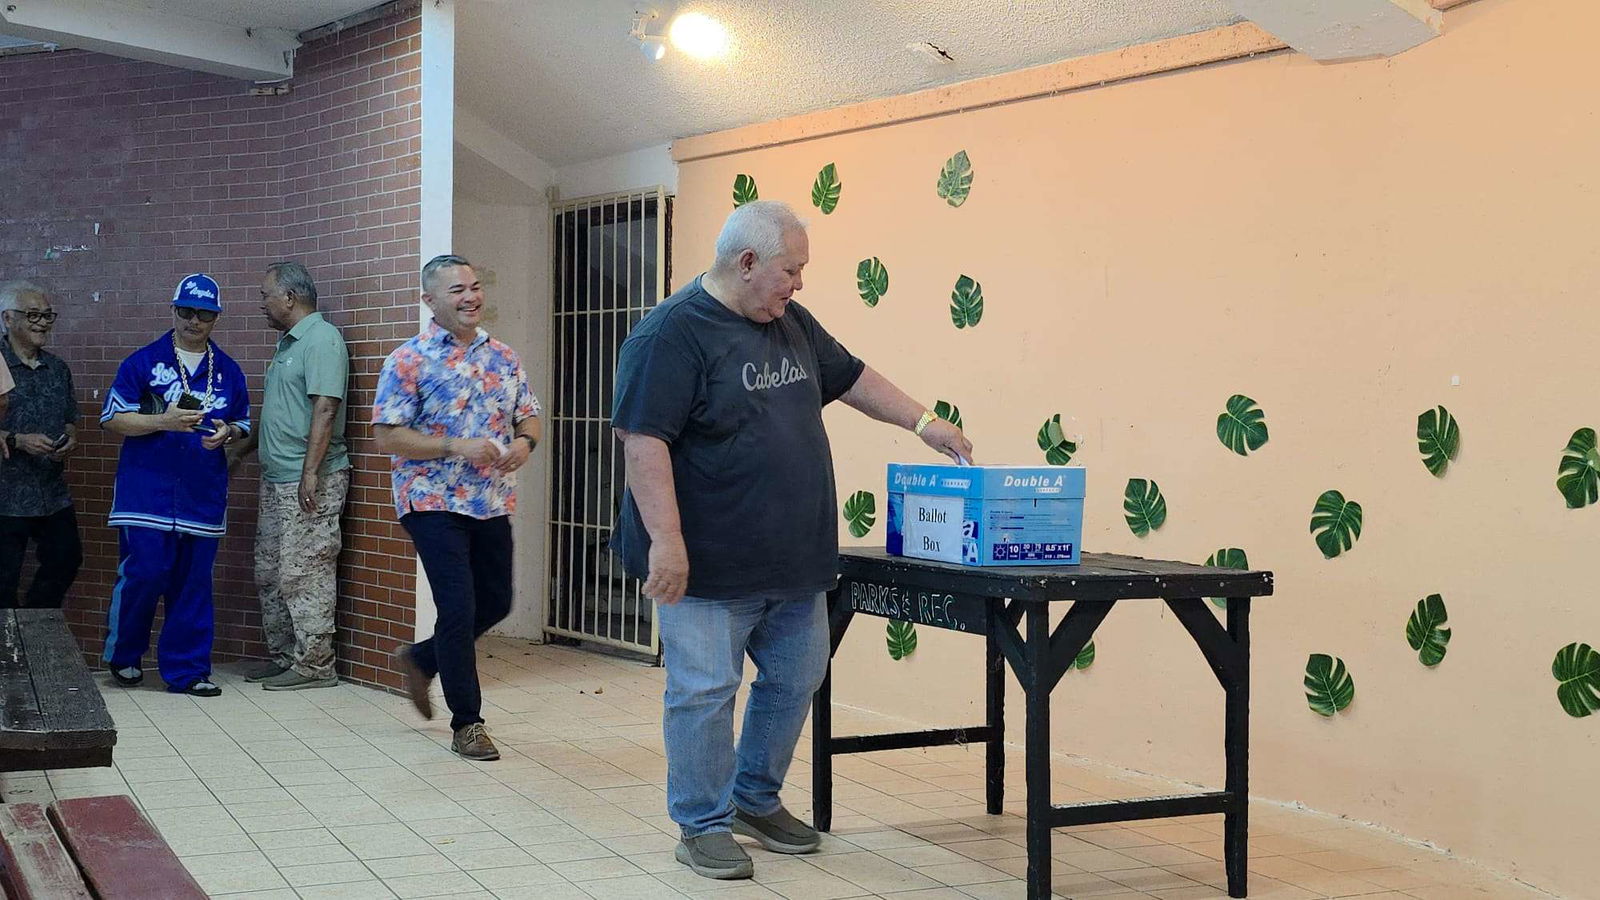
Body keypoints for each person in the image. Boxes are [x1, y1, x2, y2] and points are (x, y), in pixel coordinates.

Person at [612, 200, 973, 880]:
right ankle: (702, 823)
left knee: (796, 675)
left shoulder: (788, 322)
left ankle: (754, 797)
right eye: (791, 270)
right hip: (707, 564)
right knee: (704, 691)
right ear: (747, 263)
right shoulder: (669, 335)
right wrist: (666, 541)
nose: (798, 284)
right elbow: (642, 442)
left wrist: (925, 422)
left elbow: (854, 377)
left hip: (792, 558)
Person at [373, 254, 541, 761]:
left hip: (488, 499)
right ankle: (467, 723)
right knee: (459, 604)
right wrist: (453, 446)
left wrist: (524, 445)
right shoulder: (408, 359)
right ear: (429, 301)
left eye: (474, 286)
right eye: (456, 291)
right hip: (429, 498)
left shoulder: (504, 357)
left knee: (496, 603)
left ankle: (421, 659)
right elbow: (387, 435)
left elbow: (529, 418)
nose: (471, 297)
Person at [100, 273, 251, 696]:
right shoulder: (143, 362)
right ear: (173, 310)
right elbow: (113, 418)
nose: (193, 320)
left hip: (201, 494)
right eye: (186, 310)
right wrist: (162, 421)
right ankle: (125, 656)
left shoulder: (229, 371)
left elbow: (241, 422)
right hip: (145, 493)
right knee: (145, 574)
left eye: (203, 313)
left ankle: (187, 671)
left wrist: (228, 433)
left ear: (215, 318)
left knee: (193, 582)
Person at [227, 262, 350, 691]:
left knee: (306, 572)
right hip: (276, 478)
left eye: (266, 295)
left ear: (290, 298)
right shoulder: (286, 345)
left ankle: (316, 667)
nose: (262, 303)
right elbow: (277, 412)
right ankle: (285, 657)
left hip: (309, 480)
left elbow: (326, 408)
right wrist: (240, 452)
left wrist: (310, 473)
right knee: (271, 571)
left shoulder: (322, 340)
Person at [0, 279, 82, 608]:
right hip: (7, 495)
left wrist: (70, 437)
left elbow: (69, 418)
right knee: (4, 580)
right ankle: (8, 653)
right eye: (33, 315)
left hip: (51, 492)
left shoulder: (57, 369)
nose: (42, 324)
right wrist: (17, 440)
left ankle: (33, 627)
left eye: (47, 316)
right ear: (8, 318)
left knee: (66, 558)